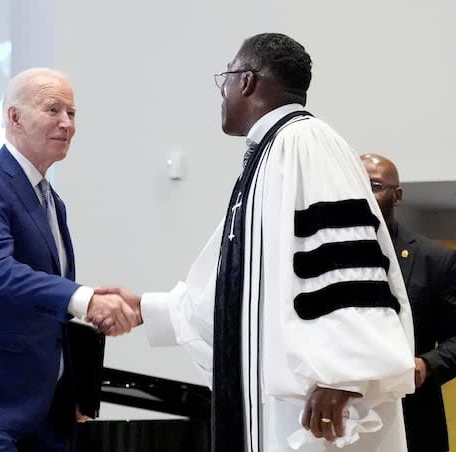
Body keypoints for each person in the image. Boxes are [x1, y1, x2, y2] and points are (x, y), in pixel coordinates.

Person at [96, 33, 415, 452]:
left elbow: (345, 265)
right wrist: (146, 309)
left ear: (246, 81)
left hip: (314, 406)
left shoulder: (307, 143)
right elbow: (237, 289)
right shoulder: (267, 155)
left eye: (225, 78)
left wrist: (344, 376)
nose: (222, 93)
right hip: (276, 404)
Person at [0, 67, 140, 451]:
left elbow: (47, 309)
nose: (67, 124)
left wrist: (74, 389)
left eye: (72, 113)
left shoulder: (52, 201)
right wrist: (85, 299)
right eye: (53, 109)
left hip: (45, 409)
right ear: (15, 117)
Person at [360, 153, 456, 452]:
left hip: (413, 416)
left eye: (373, 186)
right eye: (354, 183)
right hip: (348, 415)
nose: (362, 193)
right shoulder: (321, 253)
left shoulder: (432, 259)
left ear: (397, 195)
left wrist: (426, 365)